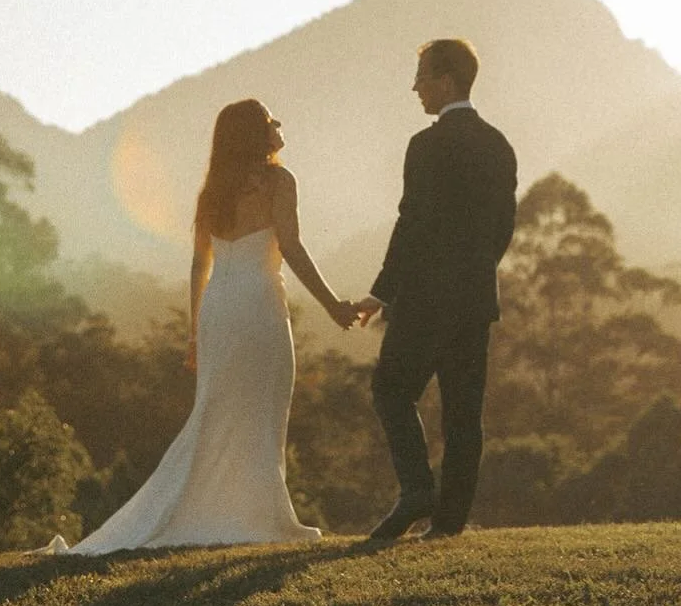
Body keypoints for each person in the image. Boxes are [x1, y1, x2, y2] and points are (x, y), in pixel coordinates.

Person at [46, 99, 357, 555]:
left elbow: (199, 264)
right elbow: (290, 246)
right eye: (270, 120)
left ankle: (232, 512)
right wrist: (332, 305)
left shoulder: (212, 191)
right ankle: (258, 514)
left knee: (217, 410)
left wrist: (195, 332)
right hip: (258, 304)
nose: (278, 125)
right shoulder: (279, 181)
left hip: (219, 307)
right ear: (254, 134)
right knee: (265, 404)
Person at [355, 38, 518, 542]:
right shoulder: (498, 145)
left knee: (391, 390)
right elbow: (503, 228)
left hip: (424, 300)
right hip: (474, 301)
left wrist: (382, 292)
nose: (415, 87)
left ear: (446, 81)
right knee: (463, 415)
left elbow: (411, 223)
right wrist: (474, 273)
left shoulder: (425, 147)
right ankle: (449, 523)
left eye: (422, 76)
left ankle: (416, 491)